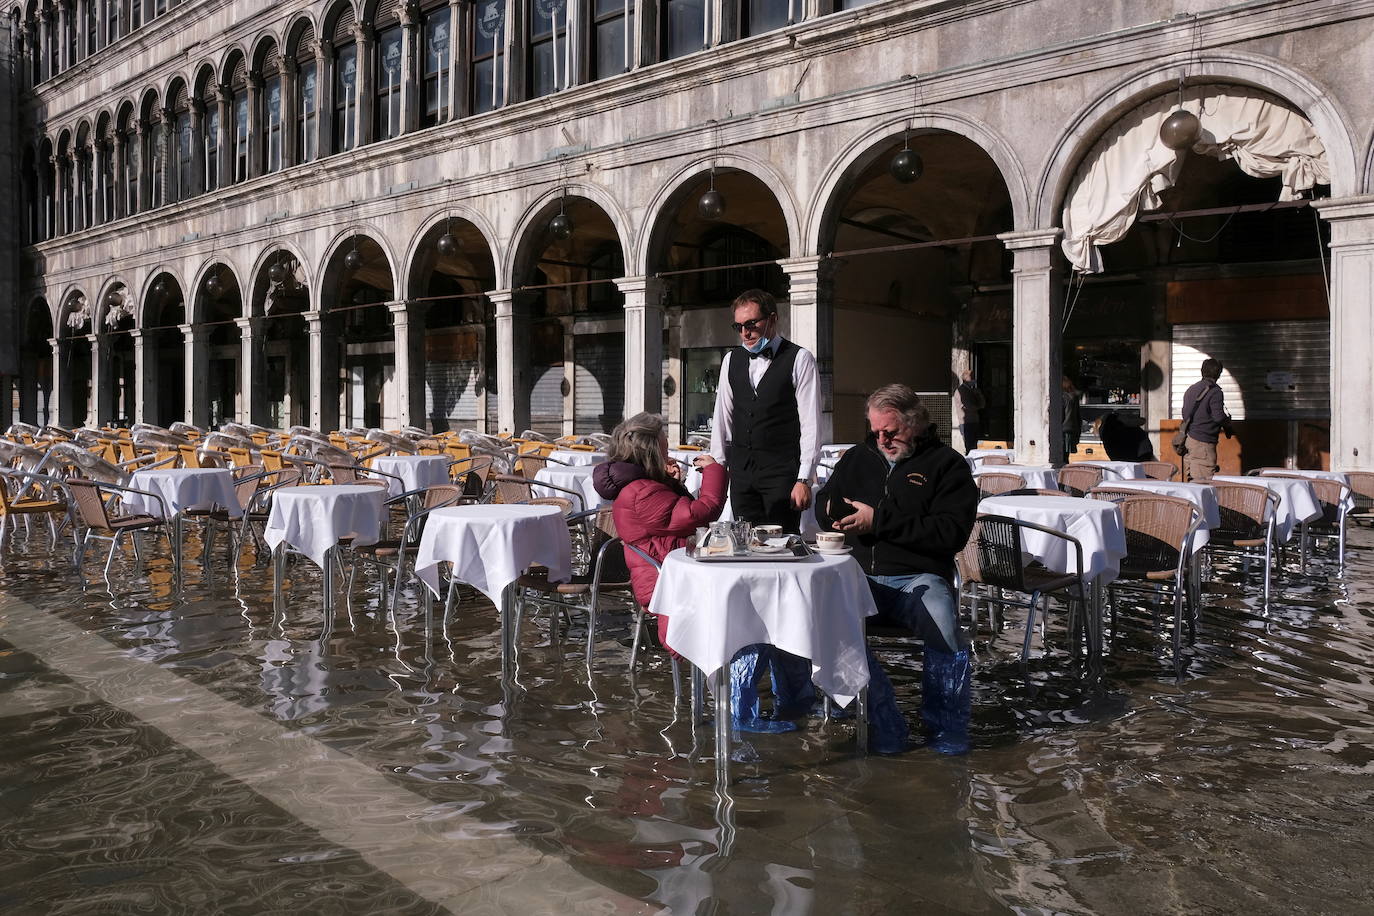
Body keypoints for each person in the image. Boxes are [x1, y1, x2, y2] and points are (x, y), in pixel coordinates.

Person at [815, 384, 980, 755]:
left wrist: (880, 521)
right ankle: (877, 711)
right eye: (876, 432)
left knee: (943, 621)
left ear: (916, 421)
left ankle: (947, 725)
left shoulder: (947, 465)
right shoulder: (858, 456)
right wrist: (829, 511)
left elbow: (950, 533)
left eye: (891, 431)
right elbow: (826, 499)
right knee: (816, 617)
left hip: (918, 576)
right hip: (858, 576)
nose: (882, 439)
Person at [704, 288, 820, 731]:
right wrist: (717, 464)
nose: (746, 332)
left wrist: (805, 476)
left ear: (772, 320)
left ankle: (791, 675)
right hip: (745, 473)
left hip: (782, 474)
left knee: (779, 568)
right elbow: (723, 417)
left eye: (752, 323)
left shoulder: (799, 359)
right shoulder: (733, 360)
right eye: (739, 326)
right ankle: (751, 673)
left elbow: (811, 422)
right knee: (747, 560)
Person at [592, 413, 728, 651]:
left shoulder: (642, 486)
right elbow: (701, 514)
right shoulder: (643, 492)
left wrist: (672, 484)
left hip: (669, 568)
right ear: (652, 450)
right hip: (665, 580)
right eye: (664, 443)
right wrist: (715, 472)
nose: (668, 448)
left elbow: (677, 519)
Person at [1180, 358, 1232, 482]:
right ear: (1218, 373)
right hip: (1204, 444)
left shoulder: (1191, 389)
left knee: (1191, 482)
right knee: (1203, 485)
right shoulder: (1215, 392)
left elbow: (1185, 414)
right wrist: (1228, 425)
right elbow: (1218, 416)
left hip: (1189, 441)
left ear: (1202, 371)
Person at [955, 369, 985, 452]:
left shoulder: (972, 390)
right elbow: (969, 407)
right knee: (970, 447)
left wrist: (979, 395)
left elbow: (982, 404)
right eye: (972, 377)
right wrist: (978, 406)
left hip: (974, 421)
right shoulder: (961, 391)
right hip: (967, 423)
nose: (974, 380)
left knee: (974, 446)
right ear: (966, 378)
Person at [1062, 375, 1081, 459]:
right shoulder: (1073, 397)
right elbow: (1078, 417)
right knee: (1065, 458)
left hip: (1062, 431)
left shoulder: (1062, 397)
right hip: (1071, 430)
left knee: (1060, 458)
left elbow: (1060, 415)